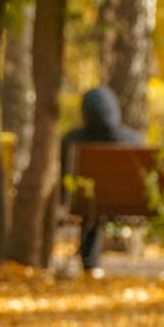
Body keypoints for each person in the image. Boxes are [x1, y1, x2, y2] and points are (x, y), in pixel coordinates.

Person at [62, 86, 142, 277]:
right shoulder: (131, 139)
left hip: (87, 203)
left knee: (92, 209)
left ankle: (90, 264)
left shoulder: (73, 140)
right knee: (97, 207)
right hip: (129, 204)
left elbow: (64, 175)